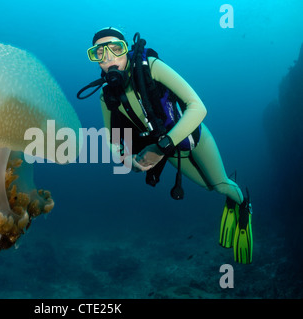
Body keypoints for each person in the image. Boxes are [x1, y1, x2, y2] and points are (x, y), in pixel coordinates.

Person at [77, 27, 253, 264]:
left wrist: (159, 148)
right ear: (95, 59)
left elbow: (198, 107)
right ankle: (228, 196)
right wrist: (127, 161)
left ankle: (242, 204)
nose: (108, 57)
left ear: (127, 49)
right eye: (99, 53)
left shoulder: (151, 67)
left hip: (195, 137)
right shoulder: (106, 97)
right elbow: (111, 139)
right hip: (169, 152)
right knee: (208, 186)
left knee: (220, 185)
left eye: (116, 48)